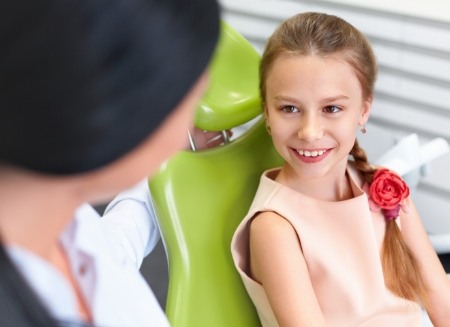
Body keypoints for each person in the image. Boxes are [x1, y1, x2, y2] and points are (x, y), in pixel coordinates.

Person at [0, 0, 219, 326]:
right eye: (193, 101)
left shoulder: (64, 219)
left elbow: (114, 247)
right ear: (123, 117)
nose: (189, 128)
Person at [231, 12, 450, 327]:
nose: (309, 131)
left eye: (331, 108)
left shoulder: (386, 188)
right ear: (267, 112)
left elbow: (438, 294)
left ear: (363, 111)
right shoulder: (275, 228)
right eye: (289, 108)